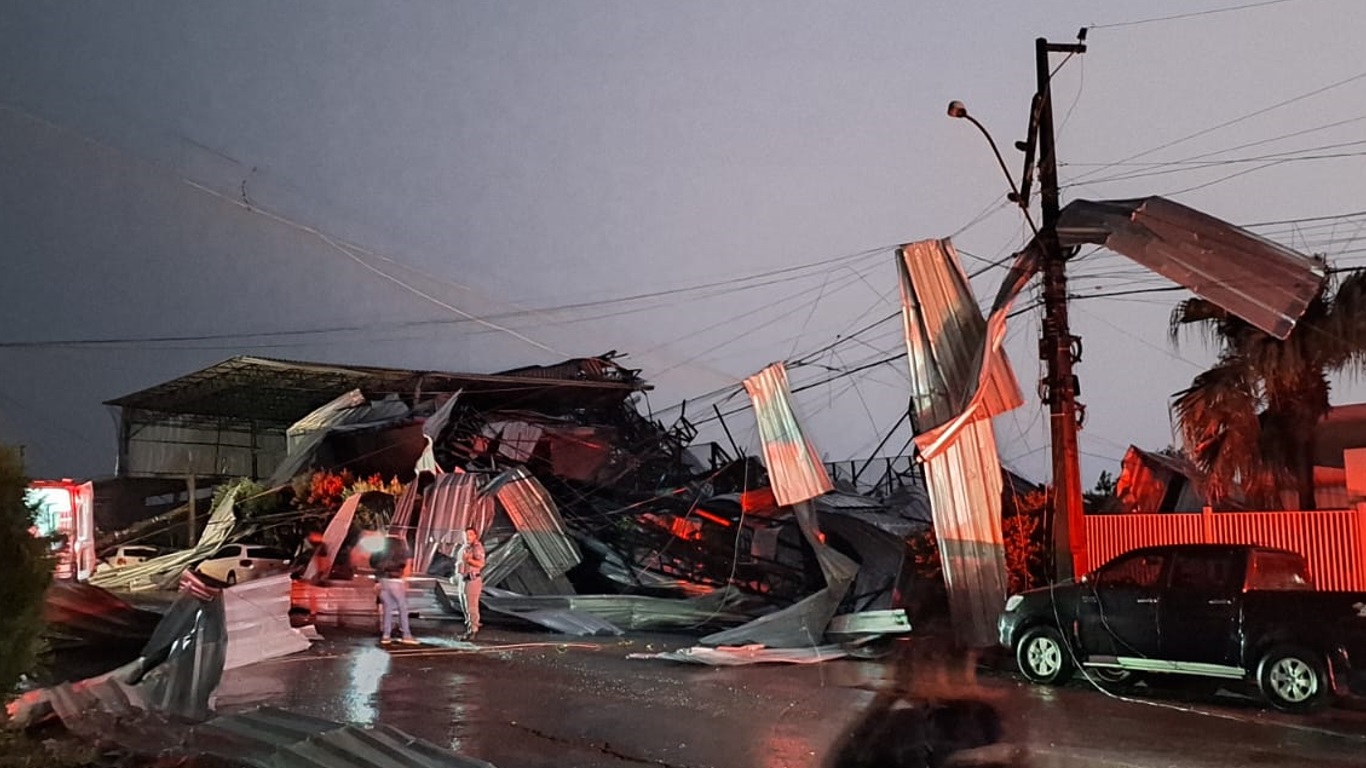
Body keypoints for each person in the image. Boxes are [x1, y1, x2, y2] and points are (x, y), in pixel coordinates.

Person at [375, 534, 419, 645]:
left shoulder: (383, 551)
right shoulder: (402, 550)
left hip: (384, 581)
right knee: (403, 608)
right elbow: (407, 566)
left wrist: (377, 582)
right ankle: (406, 635)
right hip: (396, 581)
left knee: (387, 608)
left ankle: (386, 635)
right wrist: (405, 580)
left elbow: (376, 564)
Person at [454, 526, 486, 640]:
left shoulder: (477, 548)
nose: (468, 537)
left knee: (471, 607)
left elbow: (481, 564)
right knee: (464, 605)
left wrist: (469, 560)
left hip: (472, 580)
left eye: (470, 535)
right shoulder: (464, 547)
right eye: (466, 535)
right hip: (463, 579)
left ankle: (473, 630)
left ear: (475, 536)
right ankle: (469, 627)